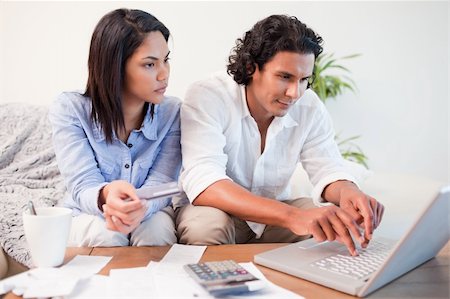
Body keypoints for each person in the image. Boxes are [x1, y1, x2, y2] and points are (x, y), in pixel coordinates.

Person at [176, 14, 384, 256]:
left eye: (304, 79)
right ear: (251, 67)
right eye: (285, 77)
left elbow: (327, 167)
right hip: (218, 212)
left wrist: (349, 191)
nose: (295, 93)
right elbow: (205, 183)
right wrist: (293, 216)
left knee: (337, 223)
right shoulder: (209, 96)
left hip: (275, 216)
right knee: (207, 226)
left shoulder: (309, 107)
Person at [49, 8, 181, 247]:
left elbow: (163, 181)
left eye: (166, 60)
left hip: (150, 212)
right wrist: (108, 195)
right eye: (150, 64)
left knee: (155, 234)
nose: (164, 74)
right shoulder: (70, 109)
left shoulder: (172, 112)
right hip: (88, 211)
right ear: (115, 67)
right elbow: (83, 184)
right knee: (106, 234)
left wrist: (143, 206)